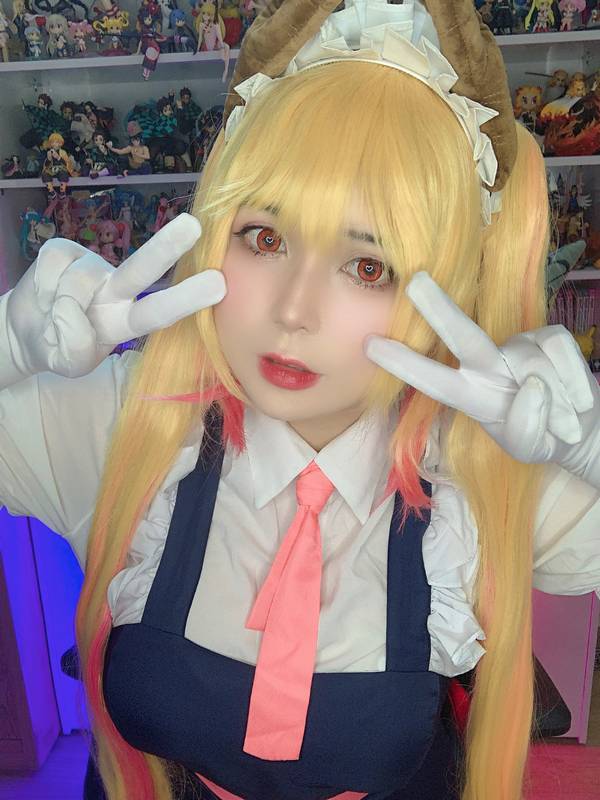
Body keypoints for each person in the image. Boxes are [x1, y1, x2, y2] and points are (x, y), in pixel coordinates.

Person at [0, 2, 599, 799]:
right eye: (266, 238)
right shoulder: (130, 422)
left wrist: (592, 455)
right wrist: (8, 346)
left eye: (367, 267)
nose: (294, 311)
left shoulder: (478, 471)